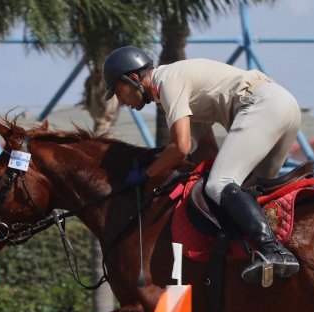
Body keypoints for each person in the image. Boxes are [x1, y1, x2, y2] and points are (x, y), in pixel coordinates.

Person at [102, 46, 302, 286]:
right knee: (250, 191)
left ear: (133, 78)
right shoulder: (175, 88)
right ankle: (270, 255)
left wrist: (145, 174)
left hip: (264, 106)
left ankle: (273, 251)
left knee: (220, 184)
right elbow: (207, 151)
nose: (121, 101)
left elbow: (180, 148)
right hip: (283, 105)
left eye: (118, 91)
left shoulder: (167, 82)